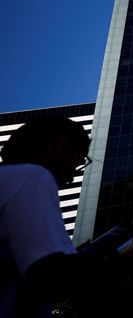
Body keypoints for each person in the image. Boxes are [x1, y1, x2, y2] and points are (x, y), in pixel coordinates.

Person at [0, 115, 107, 317]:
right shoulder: (30, 176)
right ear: (62, 147)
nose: (72, 176)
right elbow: (51, 274)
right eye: (78, 161)